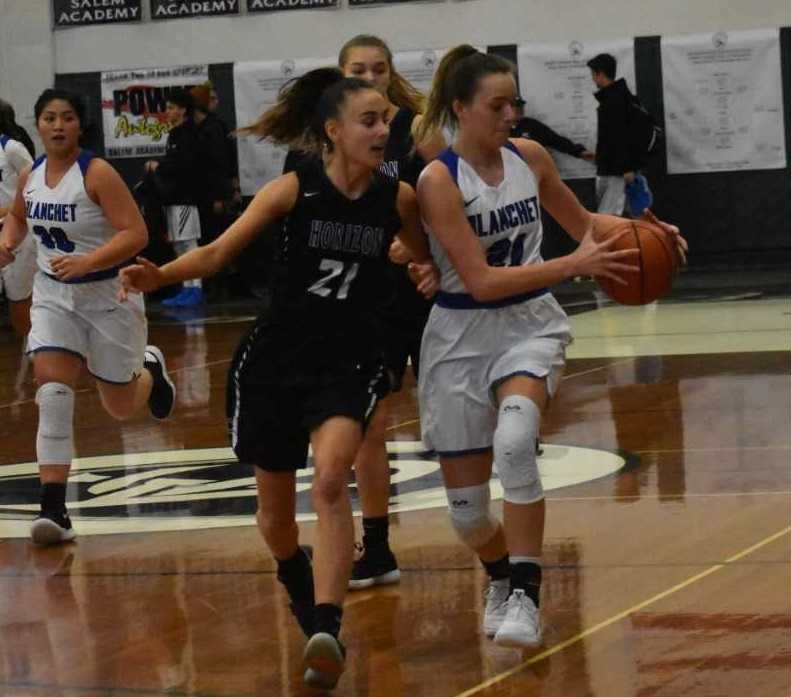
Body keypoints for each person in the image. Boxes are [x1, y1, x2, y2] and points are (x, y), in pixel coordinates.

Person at [120, 68, 436, 690]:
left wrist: (424, 266)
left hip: (351, 357)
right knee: (275, 518)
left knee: (328, 480)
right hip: (277, 359)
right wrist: (161, 276)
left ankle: (326, 624)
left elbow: (429, 248)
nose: (382, 131)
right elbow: (215, 255)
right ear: (333, 130)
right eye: (369, 121)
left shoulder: (398, 199)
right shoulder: (293, 191)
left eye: (387, 121)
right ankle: (295, 577)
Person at [414, 46, 686, 648]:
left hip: (527, 326)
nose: (512, 114)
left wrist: (646, 231)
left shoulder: (529, 157)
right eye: (498, 104)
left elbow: (586, 221)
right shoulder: (438, 181)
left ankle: (528, 598)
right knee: (466, 515)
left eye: (517, 102)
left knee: (515, 444)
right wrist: (574, 264)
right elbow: (480, 281)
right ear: (461, 108)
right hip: (460, 335)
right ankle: (500, 573)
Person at [0, 89, 176, 546]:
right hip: (54, 295)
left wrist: (91, 260)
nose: (58, 126)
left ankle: (151, 371)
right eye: (49, 118)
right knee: (53, 393)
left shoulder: (96, 173)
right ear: (37, 125)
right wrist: (6, 245)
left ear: (80, 125)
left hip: (108, 295)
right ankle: (54, 509)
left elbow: (136, 233)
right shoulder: (31, 176)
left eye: (67, 118)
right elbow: (18, 220)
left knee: (119, 405)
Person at [336, 34, 445, 590]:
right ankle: (377, 547)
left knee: (453, 422)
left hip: (424, 291)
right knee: (369, 425)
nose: (371, 76)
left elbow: (455, 189)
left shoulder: (417, 126)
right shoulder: (328, 137)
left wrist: (420, 241)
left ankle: (488, 535)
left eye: (379, 68)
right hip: (367, 299)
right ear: (341, 75)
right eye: (359, 69)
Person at [144, 89, 204, 307]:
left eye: (170, 107)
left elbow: (186, 165)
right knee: (179, 245)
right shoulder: (175, 134)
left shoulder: (189, 134)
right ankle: (186, 287)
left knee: (189, 244)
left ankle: (196, 288)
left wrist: (160, 165)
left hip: (185, 198)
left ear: (182, 110)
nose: (167, 112)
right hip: (173, 197)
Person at [587, 53, 644, 215]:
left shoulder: (614, 101)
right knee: (611, 218)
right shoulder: (617, 98)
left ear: (600, 74)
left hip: (615, 172)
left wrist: (626, 168)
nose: (592, 79)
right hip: (611, 168)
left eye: (593, 75)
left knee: (610, 220)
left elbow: (620, 136)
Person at [0, 126, 35, 340]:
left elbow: (36, 185)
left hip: (15, 233)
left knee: (19, 300)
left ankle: (37, 352)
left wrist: (9, 210)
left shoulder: (11, 148)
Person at [510, 97, 594, 162]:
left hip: (533, 172)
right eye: (514, 106)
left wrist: (579, 152)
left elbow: (555, 140)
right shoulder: (499, 128)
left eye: (520, 106)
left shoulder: (531, 125)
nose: (519, 109)